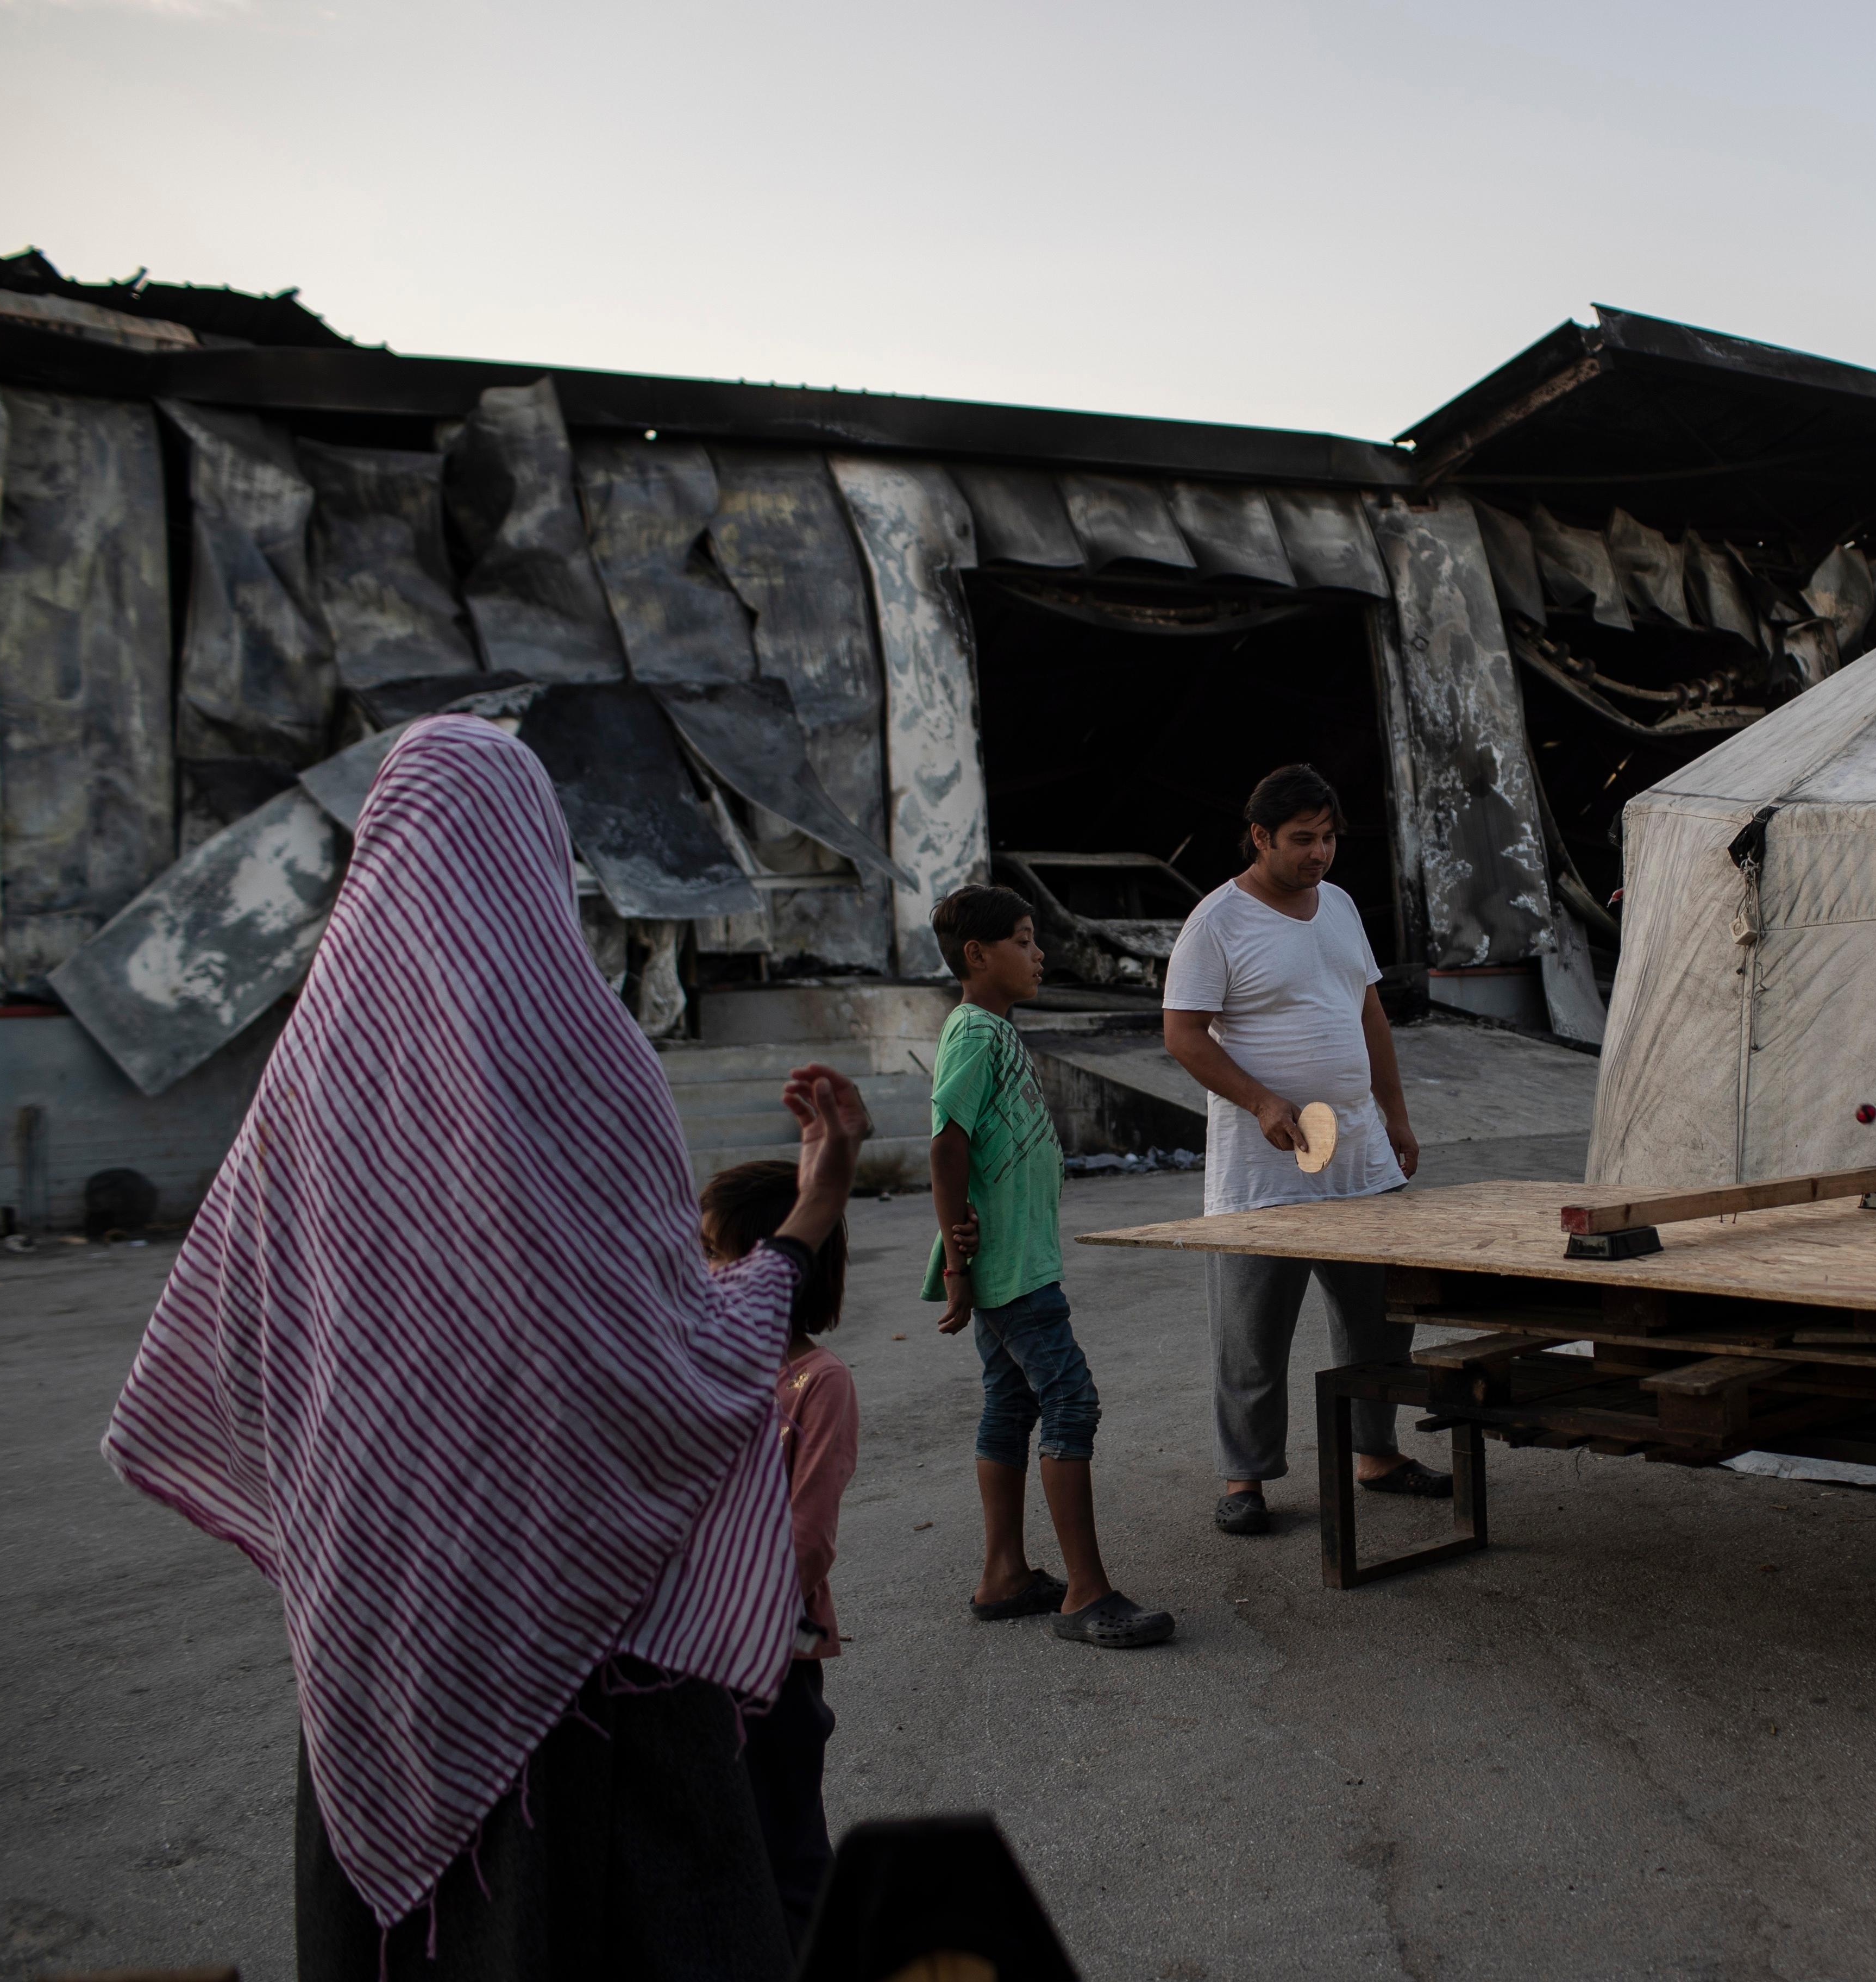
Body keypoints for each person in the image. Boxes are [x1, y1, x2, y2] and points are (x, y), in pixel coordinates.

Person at [99, 713, 868, 1978]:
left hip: (386, 1648)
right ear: (534, 850)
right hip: (600, 1677)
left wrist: (377, 1484)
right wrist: (811, 1214)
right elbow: (669, 1375)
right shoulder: (586, 1066)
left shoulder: (300, 1090)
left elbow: (224, 1348)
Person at [1162, 763, 1439, 1536]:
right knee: (1252, 1332)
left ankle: (1376, 1456)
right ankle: (1244, 1479)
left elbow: (1370, 1014)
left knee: (1381, 1319)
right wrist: (1260, 1100)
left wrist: (1395, 1114)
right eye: (1301, 840)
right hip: (1263, 1171)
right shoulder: (1216, 923)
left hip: (1359, 1155)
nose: (1319, 854)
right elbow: (1182, 1036)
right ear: (1259, 837)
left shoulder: (1342, 906)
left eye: (1328, 839)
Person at [924, 883, 1175, 1649]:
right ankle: (1086, 1594)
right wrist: (960, 1267)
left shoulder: (993, 1030)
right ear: (979, 955)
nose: (1039, 956)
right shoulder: (974, 1034)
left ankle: (1003, 1576)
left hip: (1016, 1261)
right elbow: (945, 1143)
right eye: (1026, 941)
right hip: (1011, 1271)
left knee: (1011, 1405)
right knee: (1070, 1402)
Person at [705, 1158, 859, 1952]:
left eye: (722, 1256)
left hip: (775, 1657)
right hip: (692, 1662)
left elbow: (809, 1540)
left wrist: (737, 1623)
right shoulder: (701, 1370)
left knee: (788, 1847)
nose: (707, 1275)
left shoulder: (817, 1383)